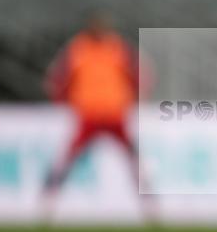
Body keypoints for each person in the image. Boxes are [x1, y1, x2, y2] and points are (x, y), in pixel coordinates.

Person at [43, 12, 154, 220]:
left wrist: (138, 95)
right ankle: (48, 200)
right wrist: (61, 100)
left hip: (114, 114)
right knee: (68, 157)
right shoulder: (77, 49)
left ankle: (149, 205)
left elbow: (140, 73)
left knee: (133, 158)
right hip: (89, 115)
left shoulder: (118, 47)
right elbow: (57, 78)